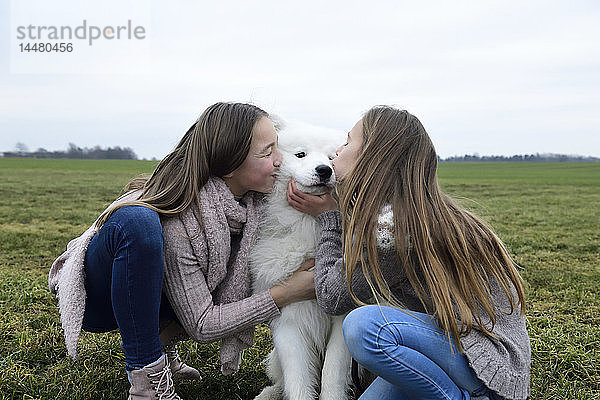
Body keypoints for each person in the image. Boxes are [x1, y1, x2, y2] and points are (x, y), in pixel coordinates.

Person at [49, 102, 316, 399]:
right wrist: (287, 292)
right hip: (100, 299)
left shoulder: (249, 205)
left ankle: (161, 346)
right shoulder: (185, 220)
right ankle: (147, 383)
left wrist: (326, 206)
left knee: (200, 273)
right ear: (230, 165)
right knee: (138, 223)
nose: (281, 160)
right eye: (268, 152)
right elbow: (202, 322)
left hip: (148, 287)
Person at [286, 105, 531, 400]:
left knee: (365, 327)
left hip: (481, 365)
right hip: (451, 354)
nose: (338, 150)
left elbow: (332, 296)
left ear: (373, 157)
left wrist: (330, 217)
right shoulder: (409, 213)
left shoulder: (395, 231)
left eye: (349, 141)